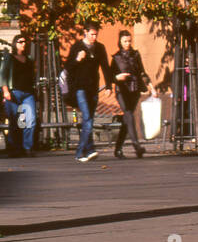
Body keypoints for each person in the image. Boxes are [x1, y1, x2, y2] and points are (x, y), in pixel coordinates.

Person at [64, 21, 114, 162]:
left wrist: (109, 85)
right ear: (85, 32)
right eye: (92, 34)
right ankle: (80, 153)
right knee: (87, 118)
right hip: (80, 88)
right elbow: (68, 67)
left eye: (96, 35)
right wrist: (77, 59)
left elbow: (105, 66)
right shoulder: (77, 47)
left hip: (93, 88)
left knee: (89, 119)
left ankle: (90, 149)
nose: (94, 37)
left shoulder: (99, 48)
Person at [111, 29, 151, 158]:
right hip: (121, 90)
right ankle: (136, 146)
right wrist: (118, 77)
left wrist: (151, 87)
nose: (127, 43)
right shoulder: (116, 57)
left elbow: (142, 72)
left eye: (129, 41)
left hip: (134, 89)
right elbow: (111, 76)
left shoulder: (135, 55)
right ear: (120, 41)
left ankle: (118, 149)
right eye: (125, 41)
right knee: (128, 114)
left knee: (127, 119)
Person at [0, 33, 39, 157]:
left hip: (28, 94)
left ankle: (28, 147)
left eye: (25, 42)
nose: (23, 44)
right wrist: (5, 91)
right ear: (15, 44)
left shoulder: (30, 59)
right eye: (20, 42)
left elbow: (32, 76)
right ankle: (15, 148)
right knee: (14, 120)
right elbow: (3, 75)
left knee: (30, 120)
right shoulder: (9, 58)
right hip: (14, 92)